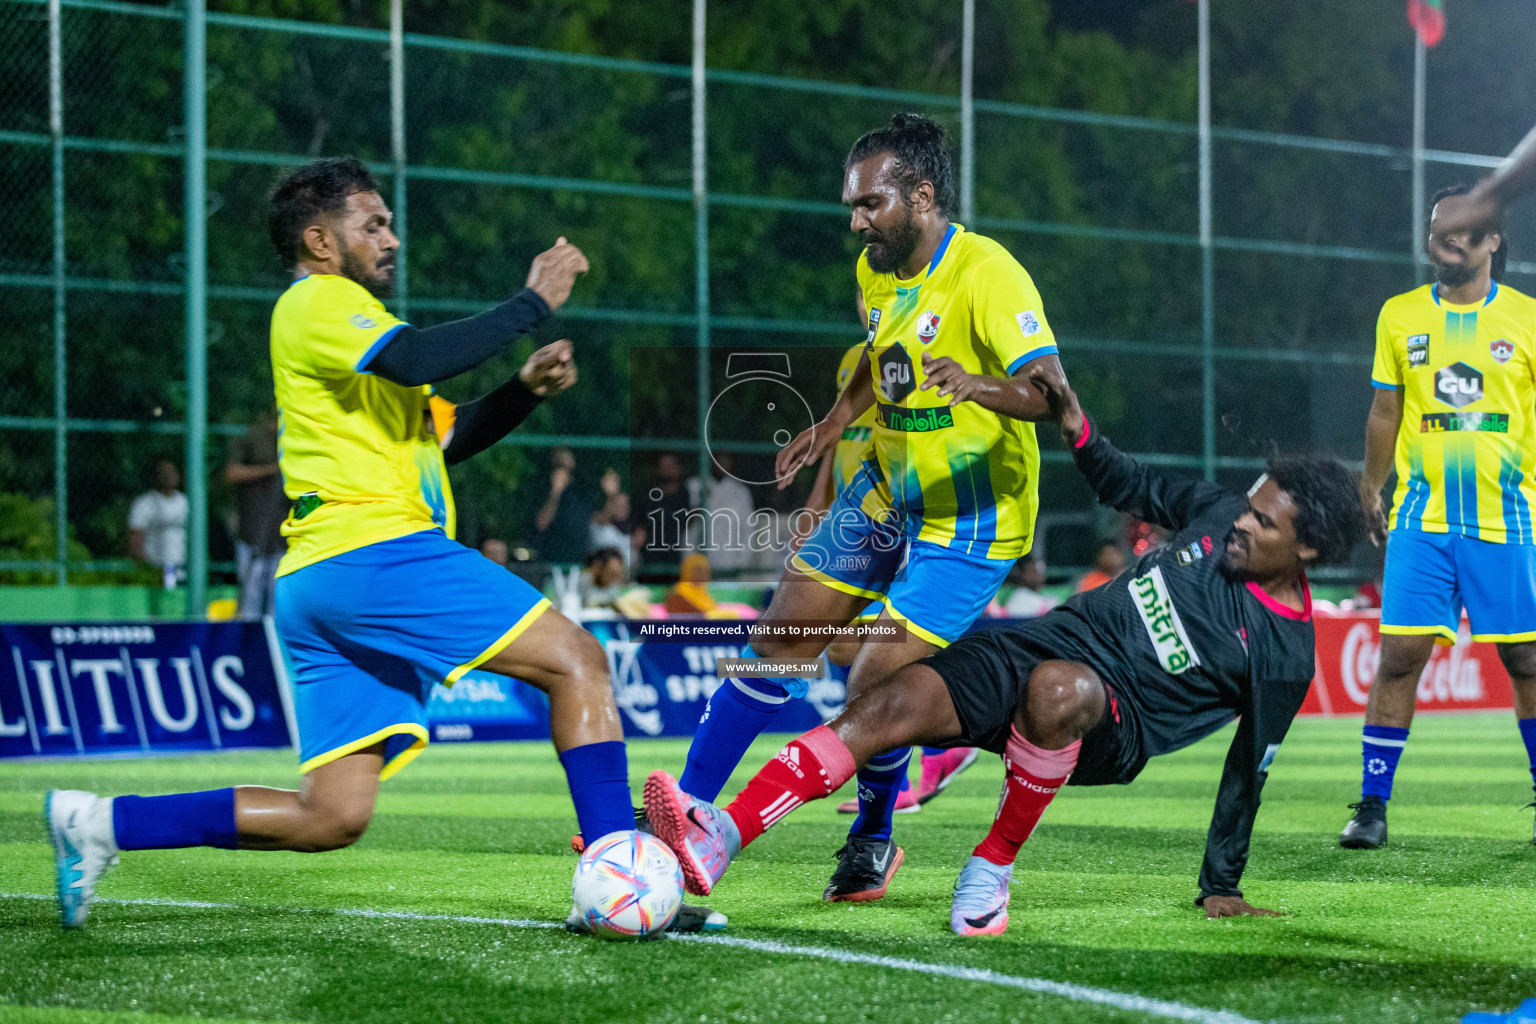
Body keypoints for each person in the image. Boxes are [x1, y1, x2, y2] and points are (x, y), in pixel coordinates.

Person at [45, 156, 721, 935]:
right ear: (319, 242)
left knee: (331, 816)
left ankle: (97, 824)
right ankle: (618, 882)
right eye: (373, 223)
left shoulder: (351, 339)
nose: (391, 237)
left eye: (390, 221)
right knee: (579, 661)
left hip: (321, 579)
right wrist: (531, 303)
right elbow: (415, 357)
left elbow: (449, 435)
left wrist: (521, 393)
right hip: (371, 552)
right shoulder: (318, 304)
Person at [642, 367, 1366, 935]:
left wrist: (1222, 886)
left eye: (1262, 523)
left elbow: (1248, 771)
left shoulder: (1284, 653)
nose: (1241, 522)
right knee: (890, 696)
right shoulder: (1214, 514)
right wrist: (1077, 426)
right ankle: (724, 836)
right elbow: (1132, 484)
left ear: (1306, 549)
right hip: (1045, 642)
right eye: (1247, 505)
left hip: (1113, 725)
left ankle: (989, 872)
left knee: (1058, 690)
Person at [673, 112, 1067, 902]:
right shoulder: (874, 269)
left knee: (874, 680)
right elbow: (881, 362)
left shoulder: (989, 274)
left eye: (869, 204)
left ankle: (873, 839)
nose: (855, 220)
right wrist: (830, 425)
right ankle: (679, 816)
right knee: (782, 638)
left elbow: (1053, 395)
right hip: (888, 488)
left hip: (973, 518)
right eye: (851, 205)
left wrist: (979, 385)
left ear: (922, 196)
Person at [1339, 186, 1536, 850]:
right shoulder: (1398, 316)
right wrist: (1372, 484)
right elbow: (1385, 411)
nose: (1447, 235)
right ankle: (1371, 805)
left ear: (1493, 241)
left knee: (1528, 660)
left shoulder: (1527, 318)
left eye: (1463, 227)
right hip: (1421, 519)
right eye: (1438, 226)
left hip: (1507, 520)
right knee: (1400, 654)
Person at [225, 408, 286, 617]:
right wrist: (271, 470)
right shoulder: (252, 436)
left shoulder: (291, 438)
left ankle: (272, 644)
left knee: (277, 600)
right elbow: (231, 472)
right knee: (250, 598)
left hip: (282, 536)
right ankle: (248, 643)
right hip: (252, 533)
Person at [128, 460, 188, 587]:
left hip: (182, 567)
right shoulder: (144, 503)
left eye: (172, 472)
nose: (169, 476)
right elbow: (135, 536)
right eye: (164, 473)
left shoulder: (185, 502)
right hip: (155, 568)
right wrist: (145, 566)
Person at [632, 453, 693, 569]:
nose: (667, 470)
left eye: (670, 466)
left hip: (677, 555)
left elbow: (688, 524)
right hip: (650, 556)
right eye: (663, 466)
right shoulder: (648, 494)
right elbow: (639, 525)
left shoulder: (684, 494)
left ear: (678, 468)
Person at [533, 446, 591, 564]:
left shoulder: (581, 488)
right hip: (551, 561)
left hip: (578, 560)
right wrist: (555, 492)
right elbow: (542, 523)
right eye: (560, 466)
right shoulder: (543, 487)